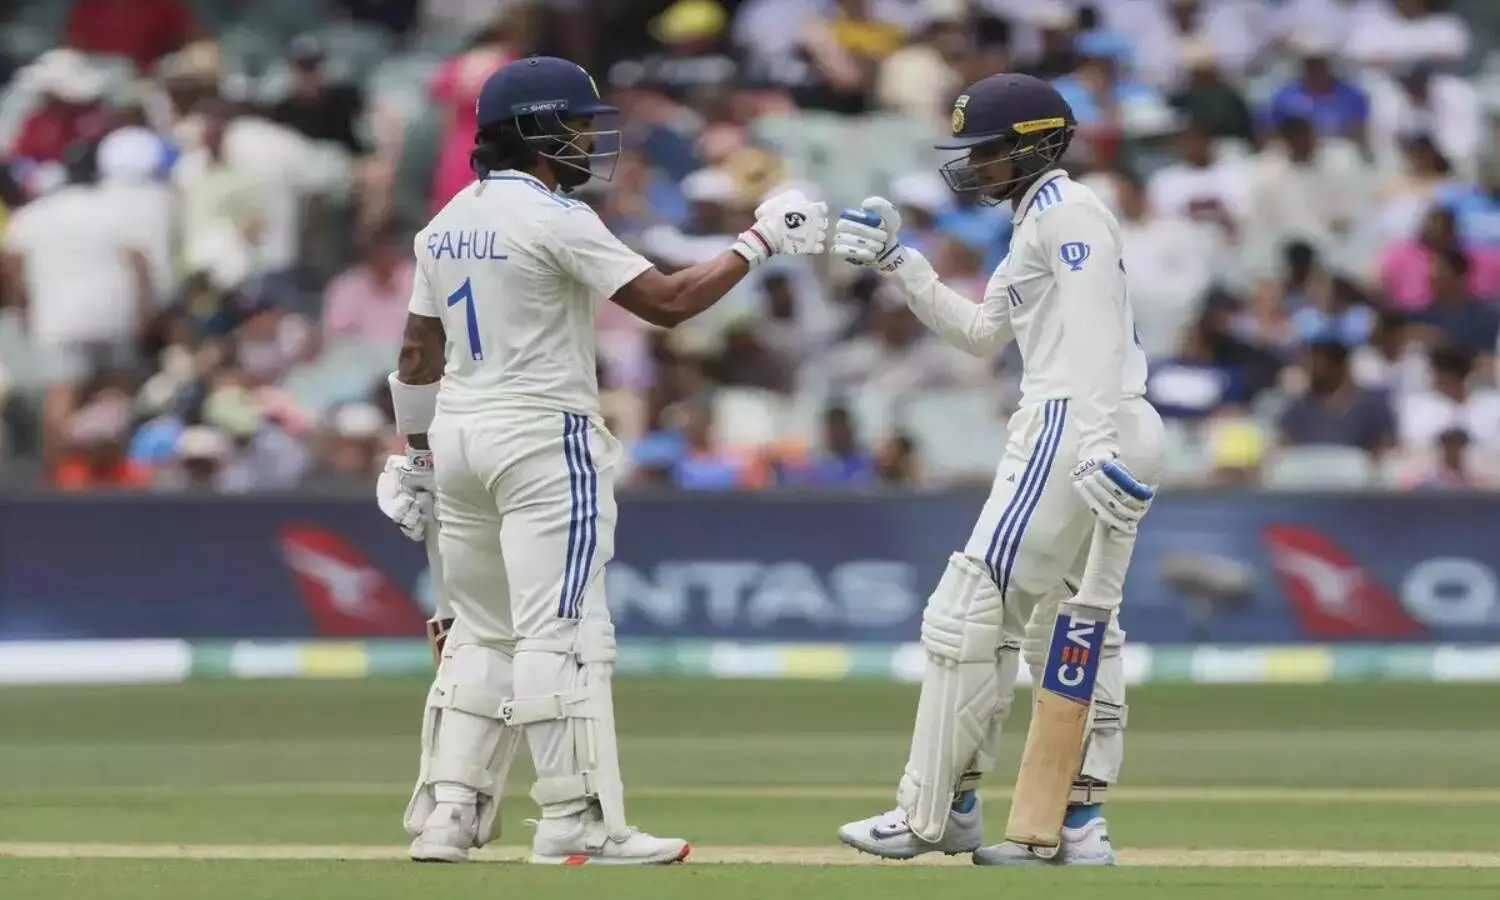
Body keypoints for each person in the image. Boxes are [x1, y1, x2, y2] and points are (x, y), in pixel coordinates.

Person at [373, 56, 827, 865]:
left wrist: (415, 454)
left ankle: (450, 815)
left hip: (462, 439)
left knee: (482, 634)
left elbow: (416, 352)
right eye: (577, 126)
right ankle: (574, 822)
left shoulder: (445, 221)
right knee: (565, 633)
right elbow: (667, 303)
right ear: (537, 130)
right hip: (544, 439)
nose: (588, 140)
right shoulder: (553, 216)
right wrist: (759, 242)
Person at [830, 72, 1163, 867]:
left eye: (986, 150)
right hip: (1102, 418)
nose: (972, 165)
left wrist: (1091, 441)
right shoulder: (1035, 221)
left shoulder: (1068, 211)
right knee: (1076, 625)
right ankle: (1076, 825)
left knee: (969, 609)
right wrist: (901, 264)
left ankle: (934, 812)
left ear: (1035, 143)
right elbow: (983, 333)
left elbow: (1092, 336)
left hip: (1075, 418)